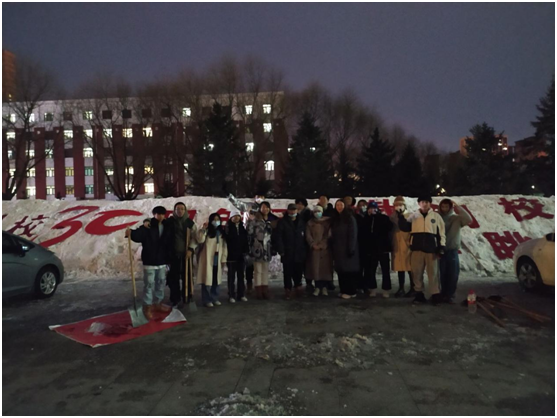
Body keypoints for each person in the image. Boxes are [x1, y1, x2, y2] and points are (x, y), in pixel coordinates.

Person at [125, 206, 171, 319]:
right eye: (158, 214)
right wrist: (131, 232)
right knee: (149, 284)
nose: (160, 216)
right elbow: (138, 234)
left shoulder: (167, 225)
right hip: (150, 260)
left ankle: (158, 303)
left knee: (160, 282)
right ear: (154, 214)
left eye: (162, 214)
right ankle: (147, 306)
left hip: (162, 260)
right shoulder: (148, 226)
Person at [398, 196, 446, 305]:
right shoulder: (414, 216)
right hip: (417, 248)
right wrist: (401, 218)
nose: (424, 204)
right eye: (422, 202)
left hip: (431, 249)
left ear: (430, 203)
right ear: (419, 203)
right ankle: (419, 294)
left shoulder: (436, 216)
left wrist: (441, 246)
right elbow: (405, 227)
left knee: (433, 273)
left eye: (427, 202)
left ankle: (435, 294)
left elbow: (441, 233)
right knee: (417, 272)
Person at [228, 192, 266, 294]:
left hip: (260, 240)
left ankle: (261, 286)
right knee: (249, 264)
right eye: (258, 197)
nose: (259, 199)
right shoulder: (249, 206)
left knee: (260, 265)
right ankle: (249, 284)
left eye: (261, 197)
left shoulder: (264, 208)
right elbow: (237, 203)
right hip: (248, 238)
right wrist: (229, 196)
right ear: (255, 197)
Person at [164, 202, 200, 308]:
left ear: (185, 210)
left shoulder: (189, 223)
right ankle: (175, 298)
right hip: (173, 254)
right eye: (177, 209)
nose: (180, 211)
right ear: (174, 210)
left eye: (182, 209)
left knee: (187, 276)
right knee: (173, 278)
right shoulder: (169, 222)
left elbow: (194, 238)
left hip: (186, 254)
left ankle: (187, 296)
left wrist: (190, 249)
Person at [437, 199, 472, 304]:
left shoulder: (456, 218)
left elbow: (468, 219)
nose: (444, 209)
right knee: (442, 274)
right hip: (440, 250)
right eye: (443, 206)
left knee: (452, 274)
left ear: (450, 207)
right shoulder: (437, 218)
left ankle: (450, 295)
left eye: (447, 207)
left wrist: (458, 207)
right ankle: (442, 294)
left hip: (452, 251)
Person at [275, 203, 308, 300]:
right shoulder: (282, 222)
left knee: (298, 271)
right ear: (288, 211)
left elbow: (305, 236)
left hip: (299, 251)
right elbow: (278, 237)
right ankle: (288, 290)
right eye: (291, 210)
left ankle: (298, 288)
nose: (293, 212)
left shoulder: (301, 221)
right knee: (287, 272)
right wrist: (281, 250)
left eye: (294, 210)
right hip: (287, 251)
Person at [362, 201, 393, 298]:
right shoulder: (365, 219)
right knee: (371, 270)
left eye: (374, 208)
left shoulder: (383, 218)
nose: (372, 210)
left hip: (383, 248)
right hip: (371, 249)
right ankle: (372, 288)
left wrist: (380, 217)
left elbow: (390, 227)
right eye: (370, 208)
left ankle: (386, 289)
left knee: (385, 270)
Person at [196, 213, 228, 308]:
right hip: (207, 258)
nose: (216, 221)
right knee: (206, 280)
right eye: (214, 219)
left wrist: (223, 259)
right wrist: (203, 229)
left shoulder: (221, 232)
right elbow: (200, 240)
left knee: (215, 280)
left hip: (217, 259)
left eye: (218, 219)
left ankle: (215, 298)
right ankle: (206, 300)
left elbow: (224, 246)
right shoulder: (206, 231)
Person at [331, 200, 360, 299]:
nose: (339, 207)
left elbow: (353, 234)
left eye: (341, 205)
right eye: (337, 205)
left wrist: (351, 248)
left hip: (347, 249)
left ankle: (351, 291)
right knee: (341, 271)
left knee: (349, 271)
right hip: (338, 249)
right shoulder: (336, 219)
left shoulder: (350, 218)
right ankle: (343, 290)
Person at [246, 202, 275, 300]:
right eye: (263, 207)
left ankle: (265, 290)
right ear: (260, 209)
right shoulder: (255, 220)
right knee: (258, 270)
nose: (265, 209)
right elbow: (249, 233)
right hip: (257, 249)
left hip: (267, 249)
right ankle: (258, 290)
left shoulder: (271, 220)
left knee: (265, 270)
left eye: (267, 207)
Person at [390, 196, 415, 298]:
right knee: (400, 267)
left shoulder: (410, 216)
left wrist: (411, 242)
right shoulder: (392, 217)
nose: (398, 207)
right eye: (396, 205)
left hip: (407, 244)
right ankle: (401, 288)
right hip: (397, 244)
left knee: (410, 267)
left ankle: (413, 287)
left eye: (400, 205)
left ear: (404, 206)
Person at [306, 205, 333, 296]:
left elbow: (328, 235)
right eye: (315, 211)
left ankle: (324, 287)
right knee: (315, 268)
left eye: (319, 211)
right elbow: (308, 235)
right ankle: (317, 287)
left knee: (324, 268)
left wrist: (322, 244)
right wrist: (312, 244)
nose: (317, 213)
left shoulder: (327, 222)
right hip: (314, 250)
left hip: (325, 249)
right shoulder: (310, 223)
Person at [224, 210, 249, 303]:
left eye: (238, 216)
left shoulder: (242, 227)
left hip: (241, 256)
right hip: (231, 256)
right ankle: (231, 295)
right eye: (234, 216)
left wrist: (246, 251)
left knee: (241, 276)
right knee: (231, 277)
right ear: (231, 218)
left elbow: (245, 241)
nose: (236, 218)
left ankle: (241, 294)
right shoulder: (227, 228)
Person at [355, 199, 368, 293]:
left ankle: (366, 285)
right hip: (358, 245)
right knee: (359, 267)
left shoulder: (369, 216)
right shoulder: (356, 217)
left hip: (368, 245)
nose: (363, 207)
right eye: (360, 205)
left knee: (367, 268)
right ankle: (359, 285)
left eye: (364, 205)